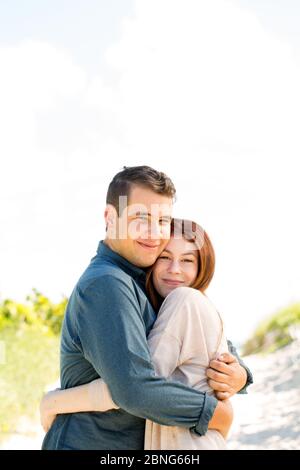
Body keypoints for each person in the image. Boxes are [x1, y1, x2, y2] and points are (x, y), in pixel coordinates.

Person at [41, 165, 253, 450]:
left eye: (163, 220)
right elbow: (134, 389)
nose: (153, 233)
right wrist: (214, 413)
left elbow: (198, 332)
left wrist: (240, 372)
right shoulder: (107, 284)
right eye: (140, 217)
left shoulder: (145, 281)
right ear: (110, 217)